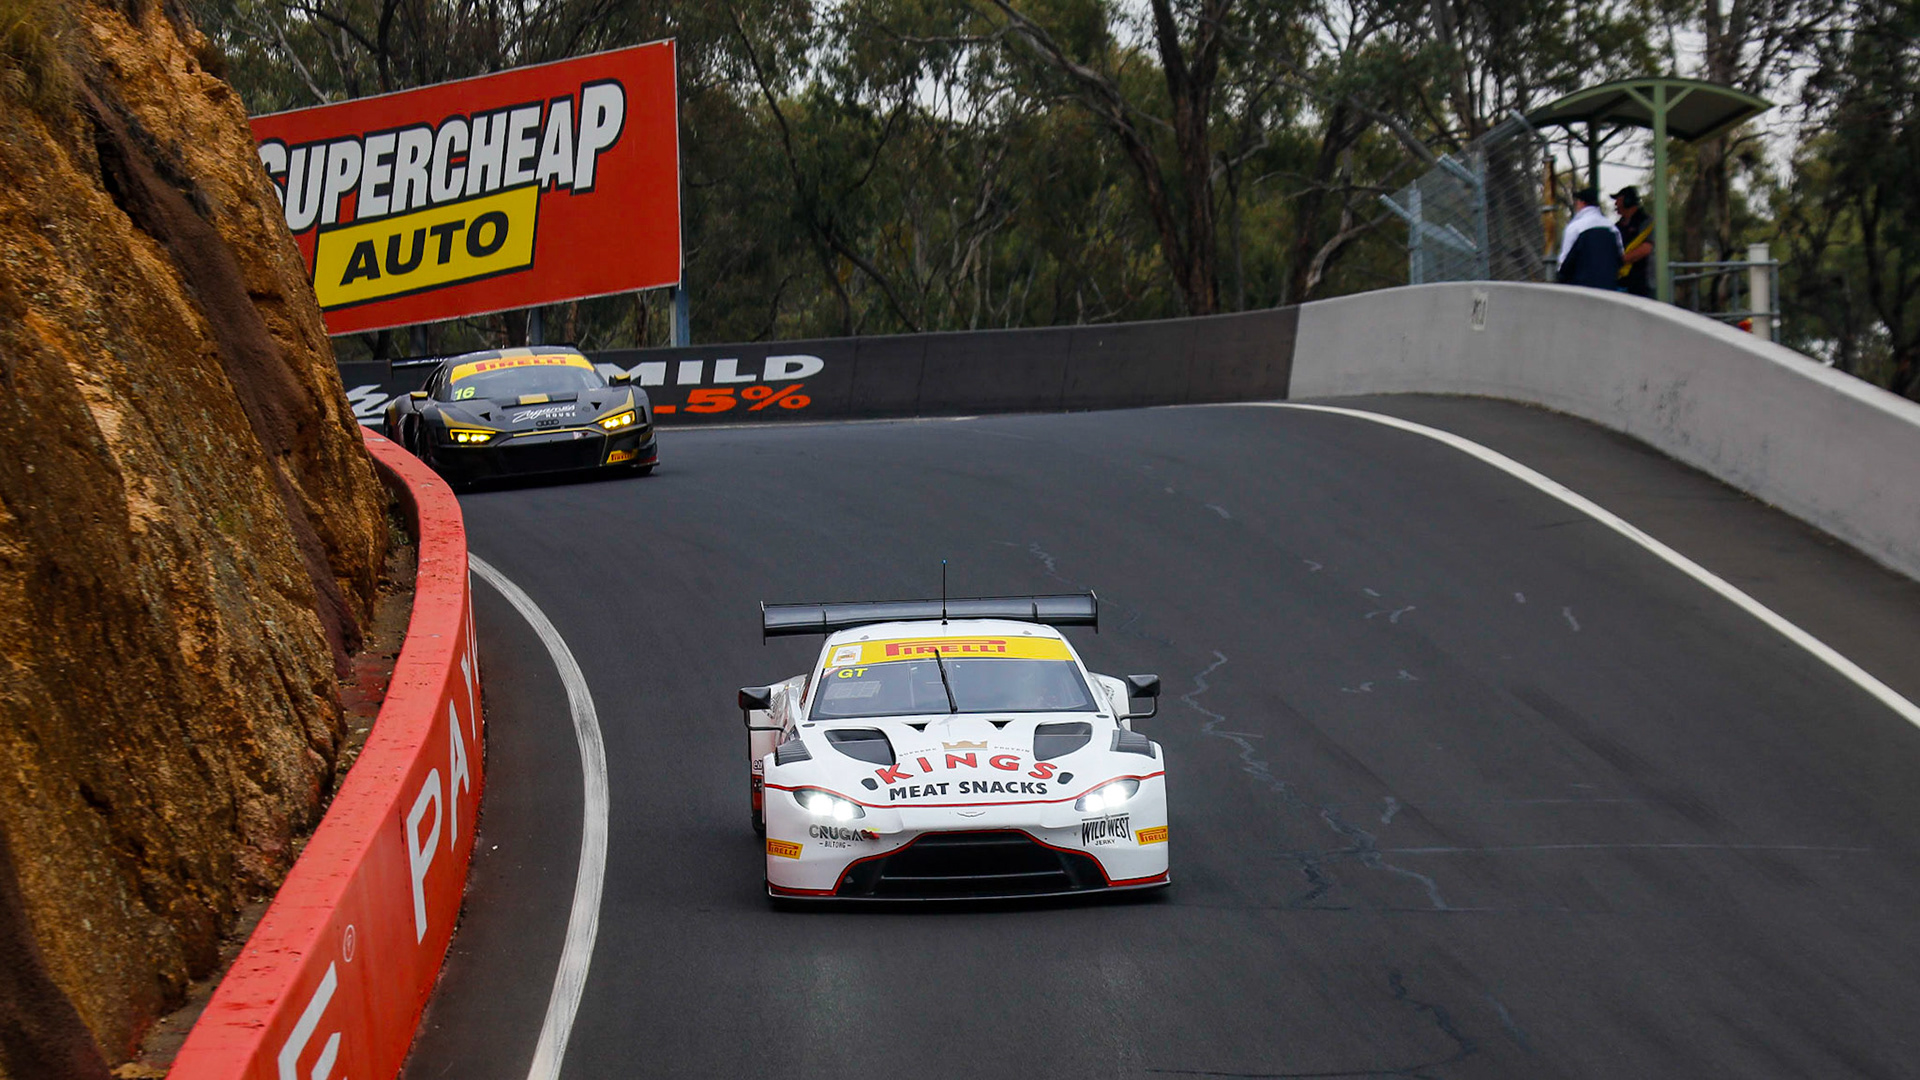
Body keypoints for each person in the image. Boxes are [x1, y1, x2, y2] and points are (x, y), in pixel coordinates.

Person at [1556, 186, 1623, 290]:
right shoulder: (1612, 228)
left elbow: (1564, 263)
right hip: (1608, 289)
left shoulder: (1575, 227)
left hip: (1581, 289)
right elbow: (1620, 257)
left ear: (1582, 203)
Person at [1612, 186, 1654, 297]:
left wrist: (1619, 260)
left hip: (1643, 282)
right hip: (1622, 283)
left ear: (1628, 200)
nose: (1615, 204)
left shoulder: (1646, 222)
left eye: (1618, 200)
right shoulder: (1617, 226)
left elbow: (1646, 248)